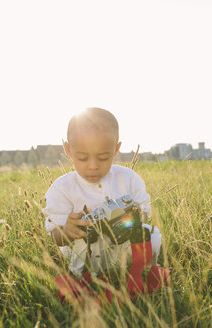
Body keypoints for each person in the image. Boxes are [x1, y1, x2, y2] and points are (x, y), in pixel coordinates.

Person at [43, 107, 168, 300]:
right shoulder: (62, 188)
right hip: (86, 253)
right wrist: (67, 230)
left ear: (116, 149)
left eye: (103, 157)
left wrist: (127, 217)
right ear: (68, 150)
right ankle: (84, 279)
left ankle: (142, 270)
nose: (93, 166)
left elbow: (144, 215)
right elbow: (56, 236)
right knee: (81, 246)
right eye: (82, 158)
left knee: (154, 235)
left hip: (123, 243)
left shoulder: (128, 178)